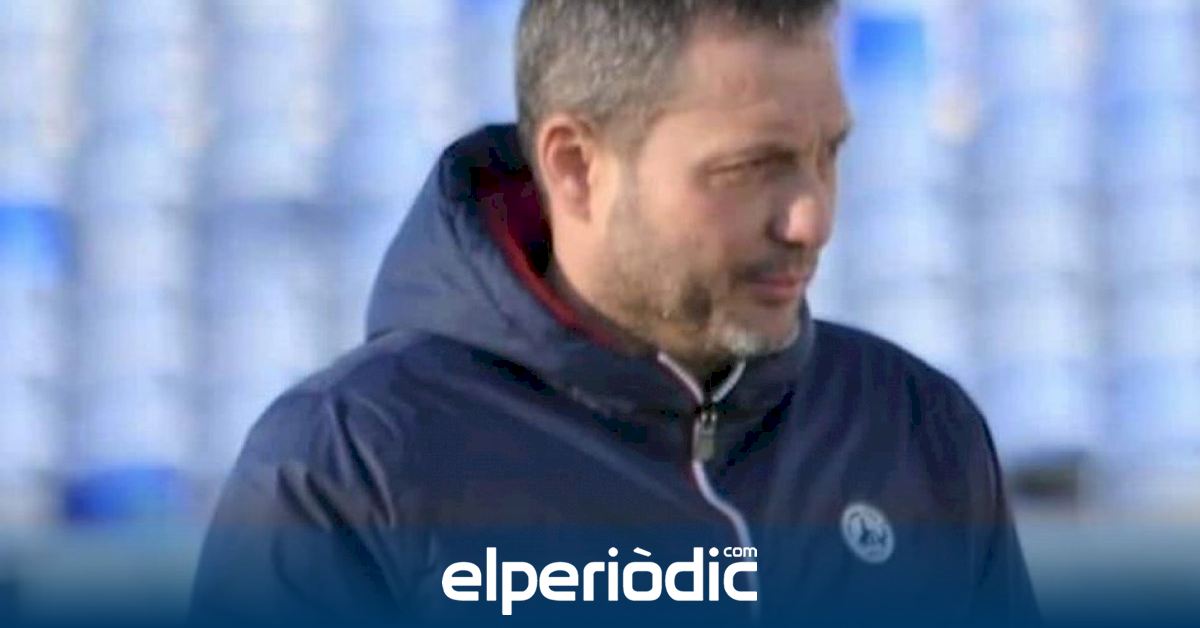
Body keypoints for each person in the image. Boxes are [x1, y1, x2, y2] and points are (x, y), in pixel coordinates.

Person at [190, 1, 1041, 626]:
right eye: (751, 167)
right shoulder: (350, 467)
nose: (810, 218)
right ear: (575, 166)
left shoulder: (914, 428)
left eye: (828, 155)